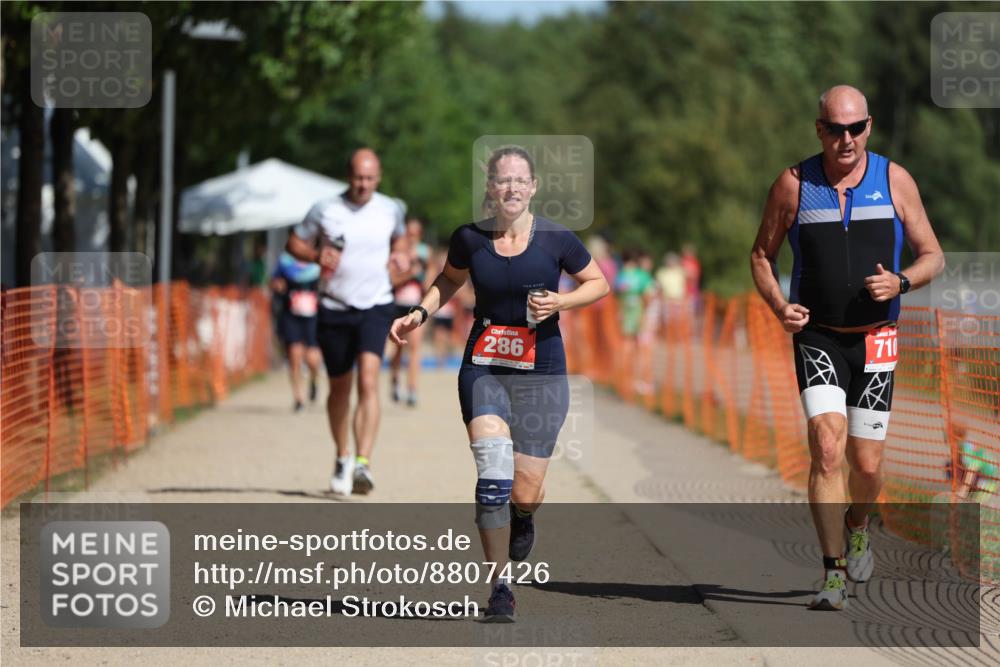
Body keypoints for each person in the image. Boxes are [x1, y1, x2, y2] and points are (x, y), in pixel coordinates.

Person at [389, 146, 609, 622]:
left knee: (523, 492)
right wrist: (420, 313)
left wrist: (561, 303)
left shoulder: (555, 239)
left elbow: (598, 283)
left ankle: (525, 516)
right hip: (484, 366)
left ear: (533, 188)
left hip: (543, 372)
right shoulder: (469, 238)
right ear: (489, 188)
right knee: (492, 474)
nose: (510, 187)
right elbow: (448, 280)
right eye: (501, 180)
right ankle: (500, 586)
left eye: (519, 180)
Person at [750, 85, 944, 611]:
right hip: (818, 337)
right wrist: (777, 306)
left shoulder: (893, 178)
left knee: (866, 461)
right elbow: (761, 256)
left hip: (878, 338)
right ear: (819, 129)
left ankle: (860, 523)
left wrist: (902, 282)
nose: (846, 139)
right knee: (827, 447)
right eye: (835, 128)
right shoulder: (793, 184)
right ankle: (832, 573)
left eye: (855, 128)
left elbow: (933, 256)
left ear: (869, 127)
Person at [287, 148, 409, 496]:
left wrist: (400, 253)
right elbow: (294, 242)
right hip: (334, 306)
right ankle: (342, 455)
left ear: (379, 177)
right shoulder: (325, 209)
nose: (363, 184)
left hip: (377, 304)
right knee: (339, 387)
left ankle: (363, 464)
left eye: (370, 178)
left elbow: (400, 237)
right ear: (347, 175)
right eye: (358, 177)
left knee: (369, 381)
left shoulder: (391, 208)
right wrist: (314, 254)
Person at [270, 250, 323, 412]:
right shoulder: (285, 262)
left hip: (313, 317)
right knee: (294, 355)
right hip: (291, 315)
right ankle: (298, 398)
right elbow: (273, 281)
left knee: (312, 359)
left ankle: (314, 380)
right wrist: (278, 285)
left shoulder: (319, 260)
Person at [389, 217, 431, 406]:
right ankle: (395, 380)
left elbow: (430, 283)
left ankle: (412, 388)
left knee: (414, 349)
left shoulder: (425, 253)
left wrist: (423, 276)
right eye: (409, 233)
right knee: (398, 348)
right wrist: (409, 273)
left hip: (416, 306)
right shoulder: (396, 254)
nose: (412, 237)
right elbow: (391, 281)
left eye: (416, 233)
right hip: (397, 305)